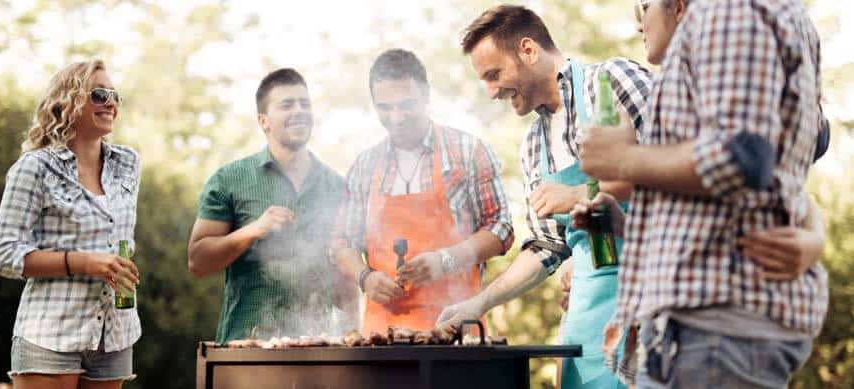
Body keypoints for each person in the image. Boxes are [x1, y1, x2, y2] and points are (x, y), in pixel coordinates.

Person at [579, 1, 829, 387]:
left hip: (714, 330)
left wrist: (623, 158)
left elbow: (743, 157)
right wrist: (623, 221)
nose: (639, 25)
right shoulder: (740, 28)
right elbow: (761, 187)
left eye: (643, 7)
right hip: (707, 330)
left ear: (677, 6)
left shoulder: (728, 12)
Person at [436, 5, 652, 388]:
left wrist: (578, 194)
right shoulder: (533, 146)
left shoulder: (612, 80)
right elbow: (548, 247)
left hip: (654, 299)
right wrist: (479, 304)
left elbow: (683, 169)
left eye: (494, 74)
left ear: (529, 50)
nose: (490, 91)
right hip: (588, 318)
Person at [332, 49, 513, 334]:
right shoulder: (364, 166)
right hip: (383, 335)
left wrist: (446, 260)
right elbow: (342, 242)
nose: (396, 117)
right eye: (384, 107)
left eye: (406, 104)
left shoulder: (468, 151)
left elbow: (501, 229)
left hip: (457, 327)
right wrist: (365, 277)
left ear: (426, 94)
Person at [0, 59, 141, 389]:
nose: (111, 102)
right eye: (99, 94)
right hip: (51, 333)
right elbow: (0, 254)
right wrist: (85, 262)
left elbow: (120, 237)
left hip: (114, 334)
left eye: (115, 95)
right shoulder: (34, 167)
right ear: (68, 101)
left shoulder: (128, 164)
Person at [187, 68, 353, 342]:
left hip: (320, 346)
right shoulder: (229, 180)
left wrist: (351, 337)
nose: (299, 111)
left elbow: (346, 276)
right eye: (287, 104)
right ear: (264, 121)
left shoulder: (339, 186)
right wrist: (254, 230)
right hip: (247, 347)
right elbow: (198, 261)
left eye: (305, 103)